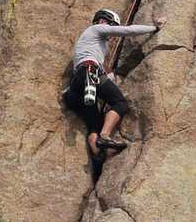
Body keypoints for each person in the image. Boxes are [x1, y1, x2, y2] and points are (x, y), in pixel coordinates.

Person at [66, 8, 156, 158]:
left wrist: (111, 76)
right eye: (111, 25)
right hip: (89, 70)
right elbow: (129, 31)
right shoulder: (96, 29)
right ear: (103, 21)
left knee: (94, 124)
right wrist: (154, 27)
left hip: (76, 84)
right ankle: (105, 135)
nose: (111, 35)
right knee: (120, 103)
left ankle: (98, 153)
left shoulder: (90, 42)